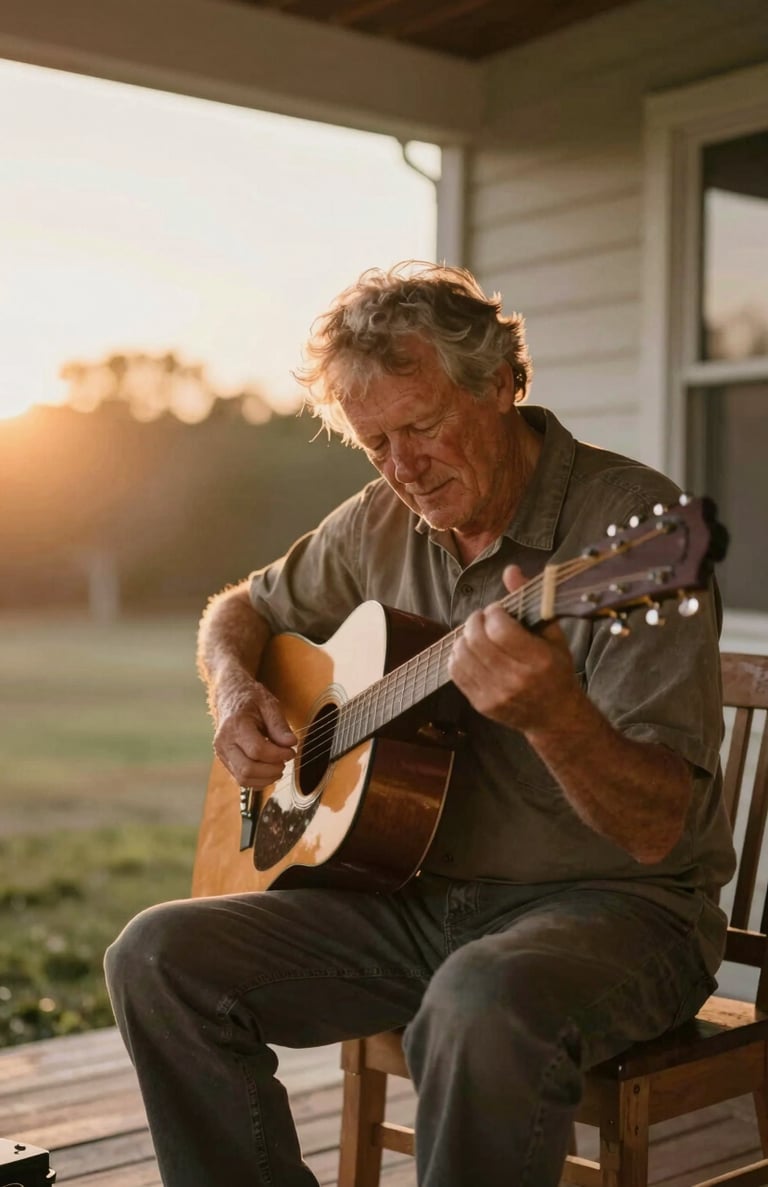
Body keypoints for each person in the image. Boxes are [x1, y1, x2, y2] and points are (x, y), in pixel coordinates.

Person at [105, 261, 735, 1187]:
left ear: (504, 385)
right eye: (376, 445)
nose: (403, 469)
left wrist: (554, 715)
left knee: (474, 1001)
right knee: (156, 958)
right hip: (415, 902)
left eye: (424, 427)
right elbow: (239, 609)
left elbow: (657, 829)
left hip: (618, 911)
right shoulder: (375, 525)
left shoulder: (633, 533)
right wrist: (235, 689)